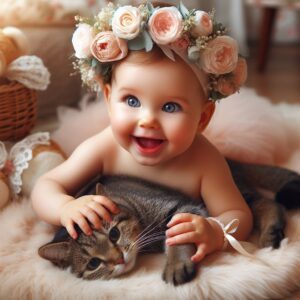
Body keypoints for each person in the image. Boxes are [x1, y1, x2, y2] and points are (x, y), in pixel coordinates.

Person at [31, 2, 252, 263]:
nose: (147, 121)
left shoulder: (204, 160)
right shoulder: (106, 147)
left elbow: (237, 213)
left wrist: (216, 231)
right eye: (132, 102)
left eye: (170, 107)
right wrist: (64, 207)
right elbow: (46, 186)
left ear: (202, 118)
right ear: (109, 98)